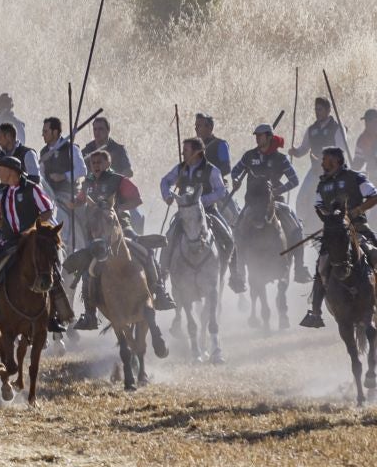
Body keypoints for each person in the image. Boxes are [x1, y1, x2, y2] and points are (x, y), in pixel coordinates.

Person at [68, 149, 169, 343]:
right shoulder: (87, 183)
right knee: (87, 271)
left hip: (121, 228)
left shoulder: (118, 180)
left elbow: (137, 199)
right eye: (93, 162)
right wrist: (73, 203)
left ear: (107, 163)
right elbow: (80, 201)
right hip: (97, 234)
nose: (95, 164)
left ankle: (160, 289)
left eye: (100, 161)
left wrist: (117, 209)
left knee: (145, 253)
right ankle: (90, 313)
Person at [0, 155, 71, 333]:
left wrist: (33, 229)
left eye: (1, 169)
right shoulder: (4, 193)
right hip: (11, 242)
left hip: (33, 241)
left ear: (12, 171)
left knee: (51, 271)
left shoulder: (32, 189)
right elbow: (0, 219)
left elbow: (47, 210)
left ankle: (55, 315)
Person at [301, 147, 377, 328]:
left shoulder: (355, 177)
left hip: (358, 228)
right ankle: (316, 312)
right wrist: (332, 218)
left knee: (375, 253)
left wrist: (357, 210)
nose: (322, 163)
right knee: (321, 265)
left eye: (325, 159)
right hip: (334, 233)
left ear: (335, 160)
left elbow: (374, 196)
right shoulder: (322, 183)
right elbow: (318, 205)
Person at [159, 137, 243, 297]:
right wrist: (167, 196)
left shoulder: (211, 170)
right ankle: (162, 279)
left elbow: (221, 191)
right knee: (168, 239)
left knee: (229, 238)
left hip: (209, 211)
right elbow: (165, 181)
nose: (183, 153)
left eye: (186, 151)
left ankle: (234, 276)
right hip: (184, 214)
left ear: (197, 152)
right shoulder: (180, 169)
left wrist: (201, 201)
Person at [230, 123, 305, 282]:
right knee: (237, 229)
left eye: (260, 135)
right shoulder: (249, 156)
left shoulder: (280, 158)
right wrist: (236, 180)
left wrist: (277, 191)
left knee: (297, 228)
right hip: (252, 203)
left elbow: (294, 180)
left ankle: (299, 268)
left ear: (269, 137)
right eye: (256, 136)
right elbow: (235, 171)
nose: (257, 138)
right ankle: (238, 272)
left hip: (275, 202)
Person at [293, 97, 349, 208]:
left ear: (328, 111)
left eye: (320, 109)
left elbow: (341, 150)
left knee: (329, 200)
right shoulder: (311, 129)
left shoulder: (337, 128)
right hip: (315, 169)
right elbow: (303, 149)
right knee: (301, 199)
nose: (317, 112)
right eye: (316, 109)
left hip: (333, 171)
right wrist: (295, 152)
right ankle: (302, 223)